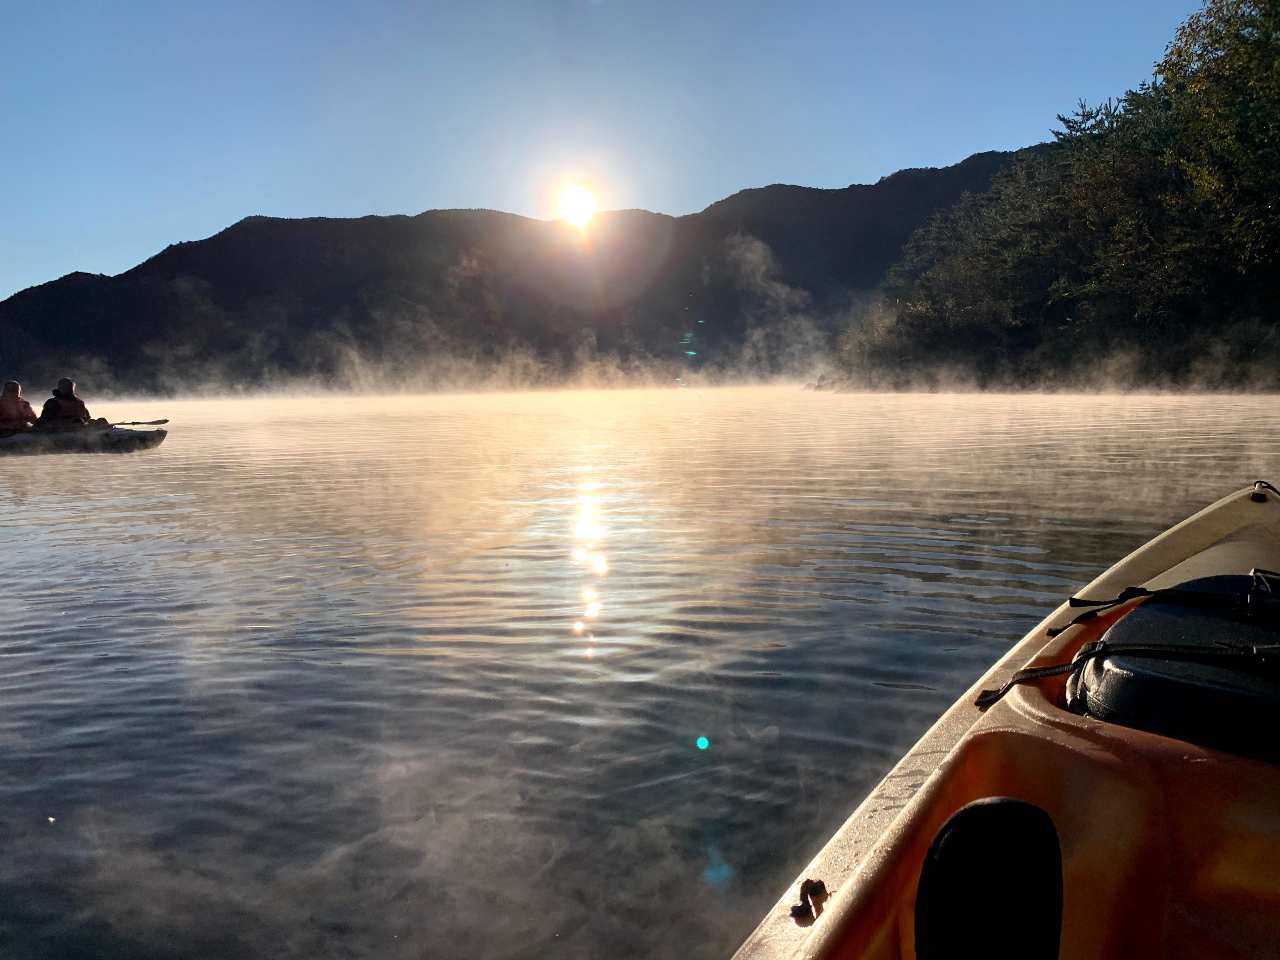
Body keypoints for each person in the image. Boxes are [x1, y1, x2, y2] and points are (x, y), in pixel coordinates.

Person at [37, 378, 106, 428]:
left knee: (102, 421)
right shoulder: (53, 403)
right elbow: (45, 421)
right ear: (60, 388)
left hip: (80, 428)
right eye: (66, 387)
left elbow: (86, 417)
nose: (68, 389)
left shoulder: (79, 402)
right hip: (61, 430)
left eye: (70, 387)